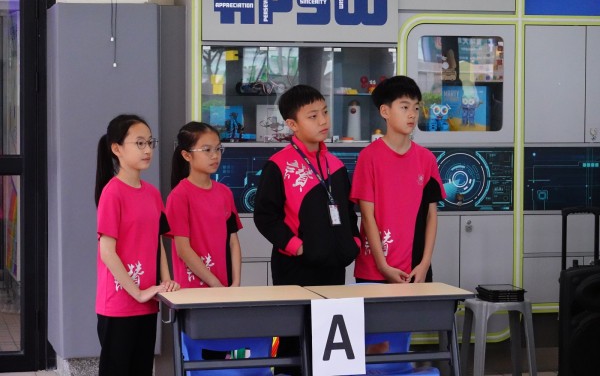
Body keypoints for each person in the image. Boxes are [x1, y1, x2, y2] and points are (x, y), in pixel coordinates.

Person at [254, 84, 361, 375]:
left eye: (324, 112)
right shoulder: (278, 165)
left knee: (328, 344)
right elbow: (265, 217)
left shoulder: (335, 165)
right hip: (295, 270)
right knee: (293, 341)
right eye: (313, 116)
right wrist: (297, 247)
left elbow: (348, 212)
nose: (323, 120)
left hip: (334, 268)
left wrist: (352, 242)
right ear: (292, 124)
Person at [94, 114, 179, 376]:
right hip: (119, 304)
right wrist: (138, 292)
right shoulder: (112, 192)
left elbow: (157, 241)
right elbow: (107, 252)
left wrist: (166, 281)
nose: (147, 149)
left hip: (148, 302)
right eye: (139, 143)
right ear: (116, 149)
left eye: (150, 142)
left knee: (141, 370)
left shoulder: (152, 193)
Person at [351, 76, 446, 284]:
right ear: (385, 111)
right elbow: (367, 216)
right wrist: (383, 267)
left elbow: (431, 215)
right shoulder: (368, 157)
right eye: (404, 107)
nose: (412, 114)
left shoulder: (426, 159)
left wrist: (424, 264)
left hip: (415, 270)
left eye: (416, 108)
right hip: (374, 271)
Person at [166, 121, 242, 289]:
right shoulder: (179, 196)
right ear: (187, 155)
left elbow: (233, 241)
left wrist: (236, 282)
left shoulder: (224, 192)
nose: (215, 155)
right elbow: (183, 249)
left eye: (218, 149)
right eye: (207, 150)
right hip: (193, 289)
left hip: (224, 286)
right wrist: (215, 284)